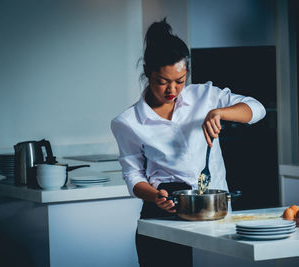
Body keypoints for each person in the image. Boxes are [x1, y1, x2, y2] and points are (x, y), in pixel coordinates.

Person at [111, 18, 266, 267]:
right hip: (163, 215)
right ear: (148, 73)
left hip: (214, 213)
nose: (172, 89)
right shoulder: (128, 122)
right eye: (163, 81)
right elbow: (133, 176)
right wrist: (154, 196)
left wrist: (219, 113)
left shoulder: (204, 96)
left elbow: (257, 109)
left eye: (180, 80)